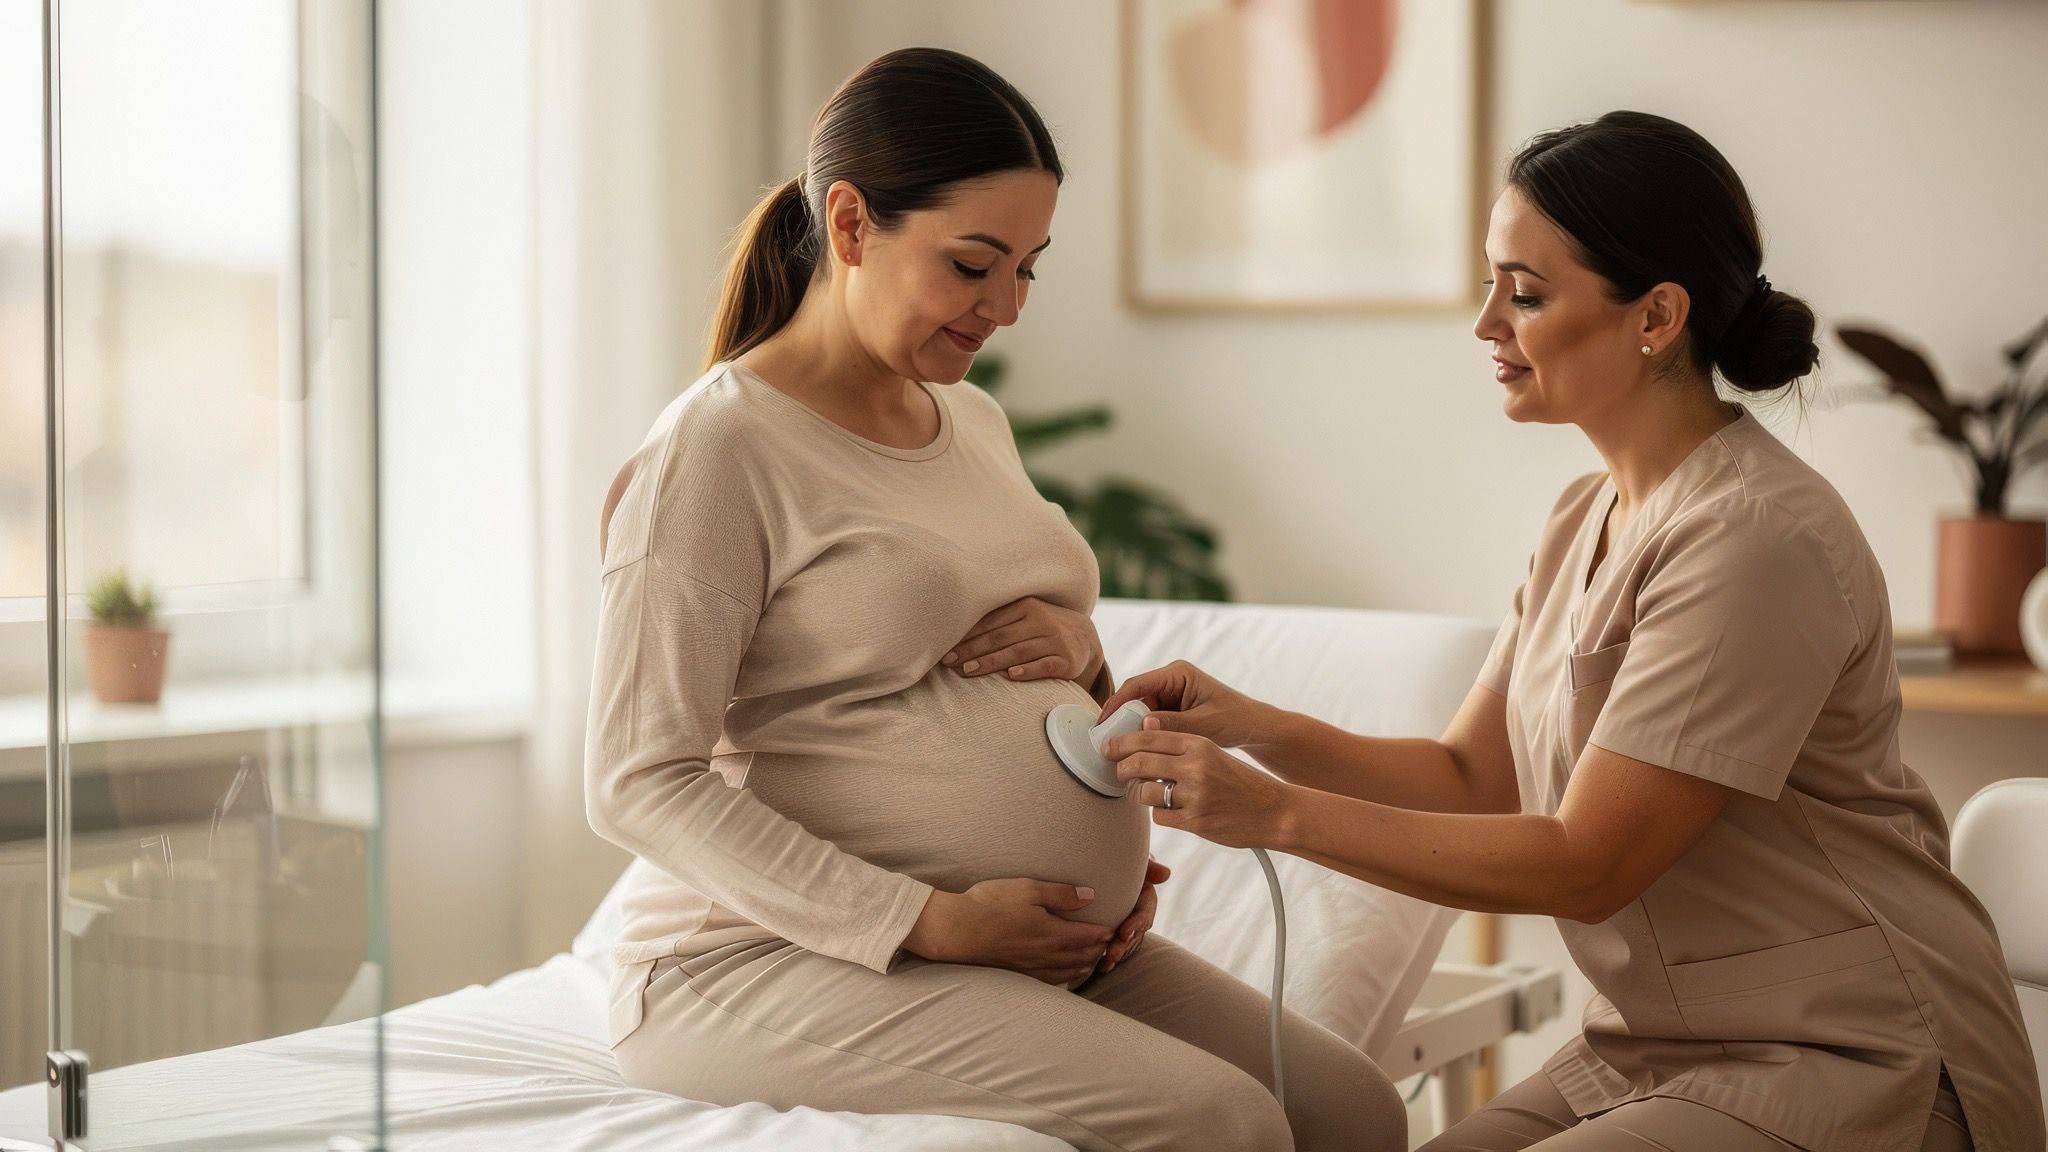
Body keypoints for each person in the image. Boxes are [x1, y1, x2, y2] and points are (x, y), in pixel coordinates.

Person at [1100, 111, 2044, 1152]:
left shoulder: (1751, 539)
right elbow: (1471, 775)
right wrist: (1253, 726)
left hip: (1851, 1056)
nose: (1484, 324)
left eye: (1526, 293)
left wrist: (1273, 815)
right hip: (1654, 1046)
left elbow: (1588, 860)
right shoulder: (1577, 518)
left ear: (1654, 317)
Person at [584, 46, 1405, 1152]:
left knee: (1354, 1115)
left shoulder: (966, 419)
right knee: (1224, 1126)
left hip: (1032, 939)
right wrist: (931, 918)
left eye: (1028, 267)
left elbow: (981, 645)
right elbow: (639, 777)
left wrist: (1079, 653)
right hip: (754, 958)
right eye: (973, 265)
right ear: (849, 225)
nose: (1005, 307)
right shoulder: (719, 448)